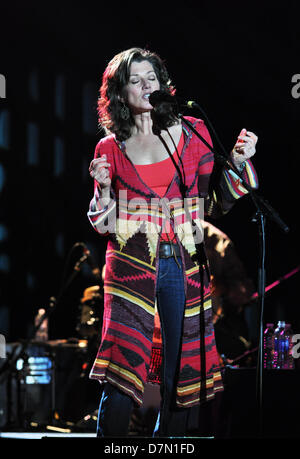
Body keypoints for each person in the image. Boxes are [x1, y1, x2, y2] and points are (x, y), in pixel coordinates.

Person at [87, 47, 258, 437]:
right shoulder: (109, 148)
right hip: (130, 269)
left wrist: (238, 162)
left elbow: (214, 205)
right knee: (122, 368)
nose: (147, 86)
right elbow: (103, 224)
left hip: (186, 263)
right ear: (119, 92)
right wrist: (101, 188)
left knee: (184, 372)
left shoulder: (194, 132)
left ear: (164, 85)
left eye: (153, 78)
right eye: (135, 80)